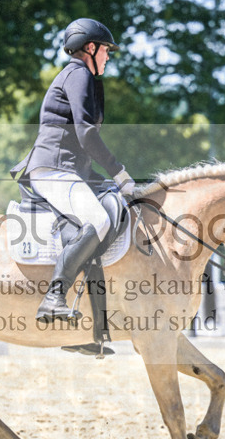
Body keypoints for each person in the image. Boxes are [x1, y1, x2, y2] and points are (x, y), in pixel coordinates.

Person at [10, 18, 135, 322]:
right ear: (90, 48)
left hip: (66, 169)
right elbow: (86, 134)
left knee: (109, 207)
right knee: (98, 220)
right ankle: (54, 297)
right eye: (106, 50)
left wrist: (105, 181)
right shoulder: (79, 74)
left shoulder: (79, 76)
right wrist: (119, 173)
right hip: (54, 169)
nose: (108, 56)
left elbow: (78, 145)